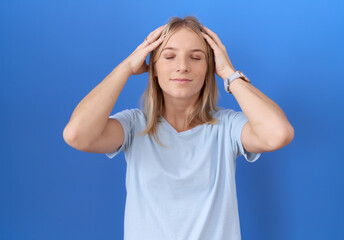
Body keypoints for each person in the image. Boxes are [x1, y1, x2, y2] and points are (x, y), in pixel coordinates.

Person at [63, 16, 294, 240]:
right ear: (153, 68)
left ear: (208, 70)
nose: (182, 67)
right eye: (169, 56)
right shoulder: (134, 125)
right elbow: (77, 135)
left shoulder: (226, 127)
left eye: (196, 58)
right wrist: (125, 67)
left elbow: (278, 133)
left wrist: (228, 73)